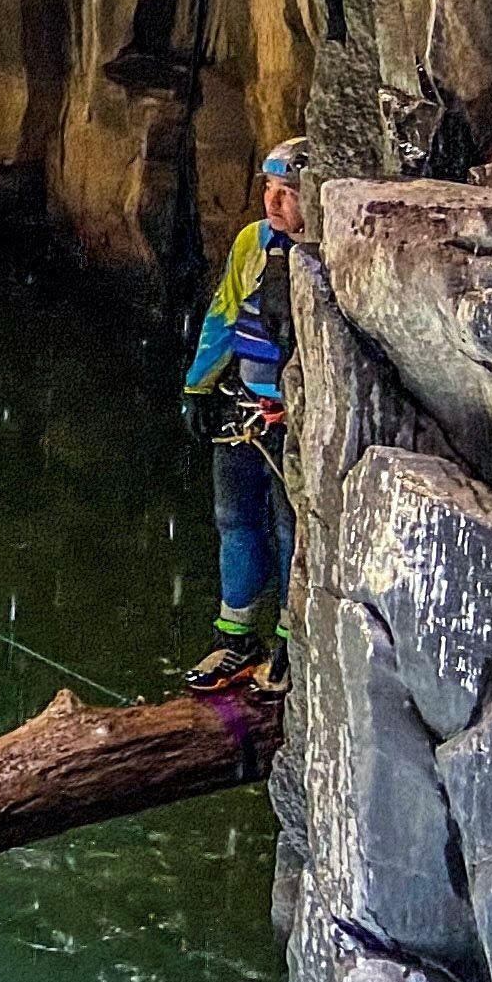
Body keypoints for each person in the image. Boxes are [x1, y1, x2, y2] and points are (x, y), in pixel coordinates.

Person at [182, 139, 306, 696]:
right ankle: (237, 637)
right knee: (234, 521)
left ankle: (289, 644)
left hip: (292, 423)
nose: (273, 202)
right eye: (269, 189)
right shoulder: (251, 244)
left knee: (291, 530)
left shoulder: (321, 257)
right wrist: (198, 385)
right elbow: (224, 313)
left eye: (288, 193)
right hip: (242, 410)